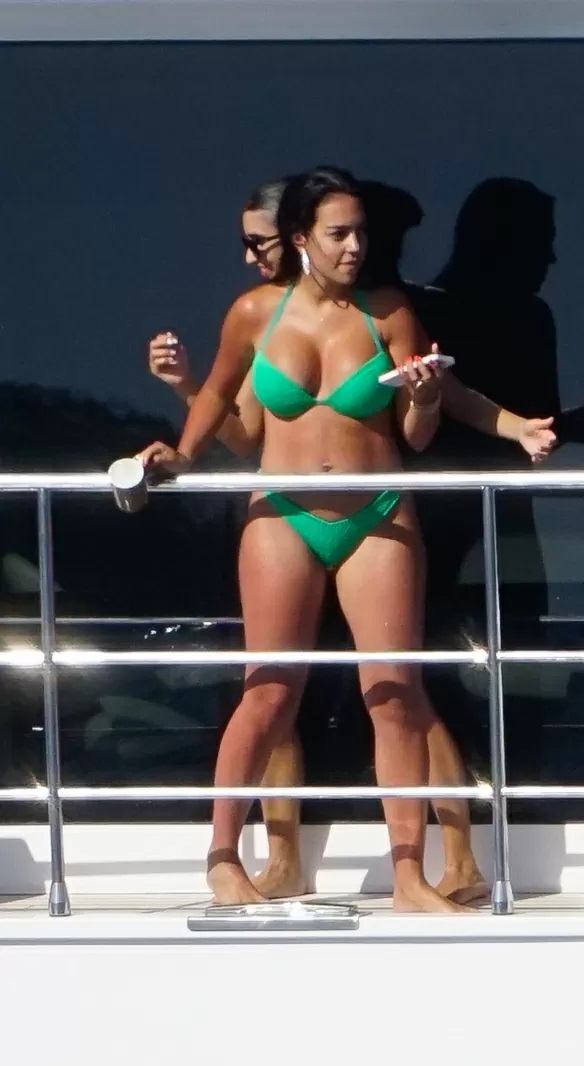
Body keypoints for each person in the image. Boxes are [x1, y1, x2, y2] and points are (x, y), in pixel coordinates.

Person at [139, 166, 554, 911]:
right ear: (302, 239)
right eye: (338, 234)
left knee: (393, 694)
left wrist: (502, 422)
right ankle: (223, 858)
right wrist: (181, 453)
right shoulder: (254, 313)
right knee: (268, 691)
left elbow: (425, 424)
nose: (354, 247)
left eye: (361, 233)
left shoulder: (389, 312)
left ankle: (409, 877)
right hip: (283, 512)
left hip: (376, 512)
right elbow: (220, 395)